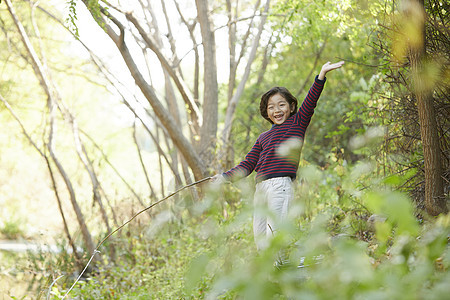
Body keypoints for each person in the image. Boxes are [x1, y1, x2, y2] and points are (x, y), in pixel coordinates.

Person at [211, 61, 344, 263]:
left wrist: (321, 74)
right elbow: (246, 166)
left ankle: (312, 265)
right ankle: (277, 278)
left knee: (276, 240)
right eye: (271, 107)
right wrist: (223, 177)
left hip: (280, 186)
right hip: (261, 191)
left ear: (291, 106)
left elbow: (311, 100)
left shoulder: (297, 123)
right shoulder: (263, 138)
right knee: (261, 242)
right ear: (266, 112)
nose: (277, 110)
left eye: (281, 105)